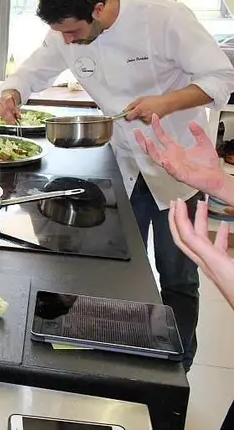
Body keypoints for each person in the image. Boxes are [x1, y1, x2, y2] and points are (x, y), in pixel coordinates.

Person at [0, 0, 234, 370]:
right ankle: (125, 355)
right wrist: (13, 90)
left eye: (72, 32)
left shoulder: (164, 18)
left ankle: (180, 364)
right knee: (122, 269)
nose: (67, 41)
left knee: (177, 274)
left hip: (179, 167)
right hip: (123, 161)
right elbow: (35, 68)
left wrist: (164, 102)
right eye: (61, 34)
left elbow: (220, 76)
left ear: (100, 9)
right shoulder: (66, 33)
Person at [134, 116, 234, 429]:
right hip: (161, 165)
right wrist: (221, 184)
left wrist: (226, 278)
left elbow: (216, 79)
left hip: (176, 181)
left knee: (179, 281)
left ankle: (177, 367)